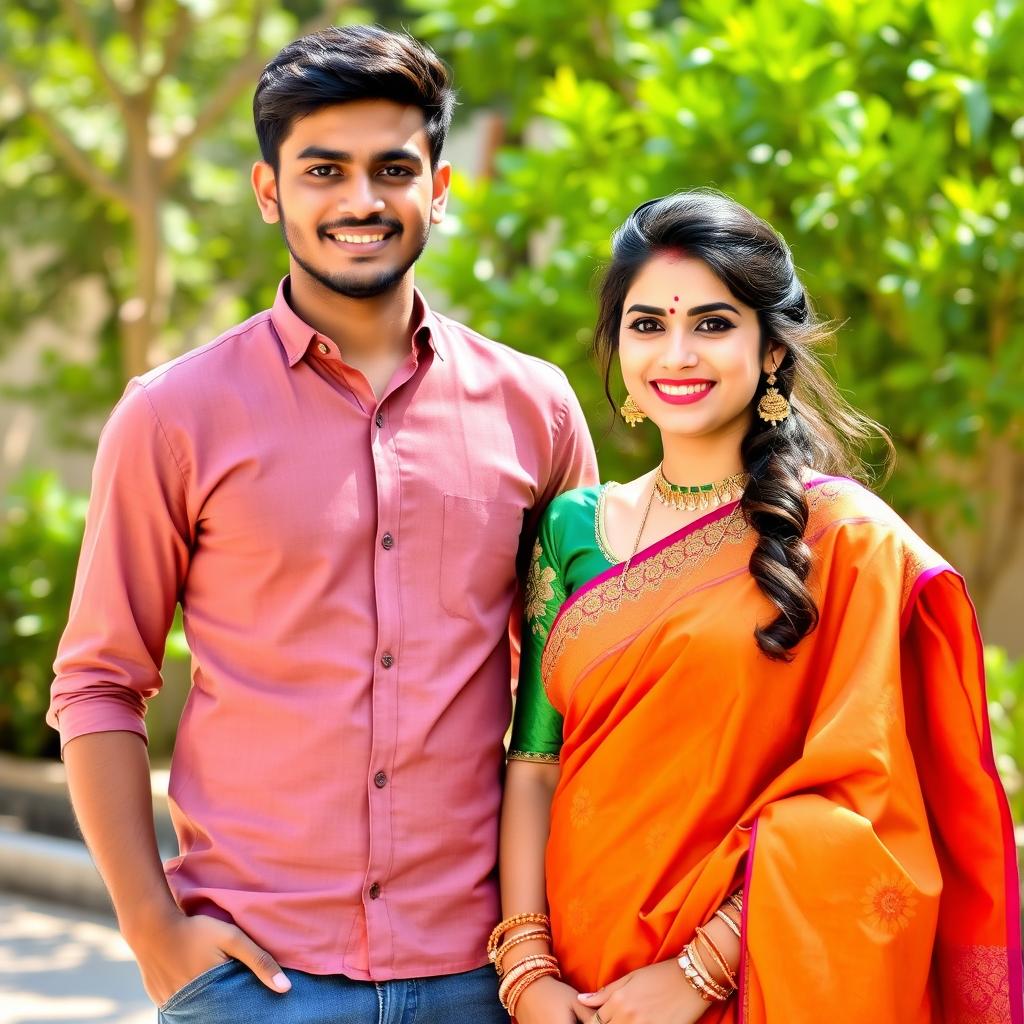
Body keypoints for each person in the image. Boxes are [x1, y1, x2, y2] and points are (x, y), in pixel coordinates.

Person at [47, 25, 597, 1023]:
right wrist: (153, 930)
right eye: (323, 170)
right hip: (256, 979)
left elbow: (578, 688)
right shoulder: (174, 415)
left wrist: (542, 945)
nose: (360, 201)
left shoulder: (537, 409)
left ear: (439, 188)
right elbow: (96, 684)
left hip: (482, 975)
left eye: (393, 168)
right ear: (269, 192)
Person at [493, 191, 1022, 1023]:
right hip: (577, 985)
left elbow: (870, 799)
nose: (677, 353)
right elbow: (534, 761)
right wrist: (527, 970)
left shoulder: (842, 539)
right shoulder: (572, 526)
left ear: (771, 350)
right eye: (646, 325)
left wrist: (701, 970)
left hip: (751, 981)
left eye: (712, 324)